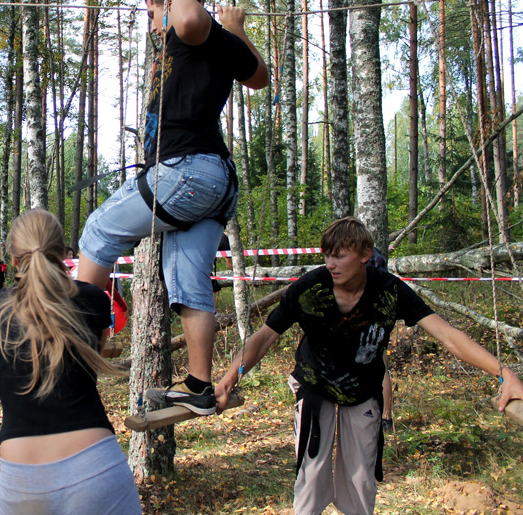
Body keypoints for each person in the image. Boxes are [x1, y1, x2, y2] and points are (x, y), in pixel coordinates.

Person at [215, 217, 523, 515]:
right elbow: (265, 337)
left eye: (339, 256)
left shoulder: (390, 291)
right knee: (311, 475)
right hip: (315, 385)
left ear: (365, 255)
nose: (330, 264)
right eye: (327, 256)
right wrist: (231, 377)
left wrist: (503, 373)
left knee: (360, 480)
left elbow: (449, 336)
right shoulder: (309, 287)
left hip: (364, 389)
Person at [75, 0, 269, 416]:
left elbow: (192, 21)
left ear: (171, 4)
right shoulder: (217, 41)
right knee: (185, 279)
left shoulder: (191, 31)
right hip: (216, 181)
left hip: (187, 171)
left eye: (151, 13)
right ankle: (200, 386)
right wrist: (237, 28)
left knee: (98, 232)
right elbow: (259, 77)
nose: (150, 26)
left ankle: (75, 359)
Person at [0, 209, 141, 515]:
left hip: (23, 482)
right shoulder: (93, 299)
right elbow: (93, 348)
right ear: (61, 254)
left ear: (13, 259)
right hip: (96, 467)